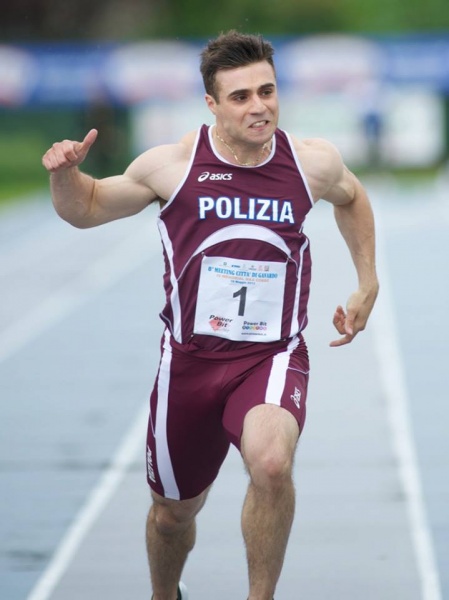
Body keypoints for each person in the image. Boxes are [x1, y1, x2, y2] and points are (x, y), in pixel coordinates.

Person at [42, 30, 379, 600]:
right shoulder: (173, 166)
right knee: (172, 514)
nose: (259, 107)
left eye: (267, 91)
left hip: (271, 355)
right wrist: (63, 173)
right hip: (190, 363)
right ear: (212, 104)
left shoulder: (311, 162)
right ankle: (165, 594)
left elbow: (352, 197)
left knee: (271, 463)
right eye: (241, 96)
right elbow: (88, 207)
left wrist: (367, 281)